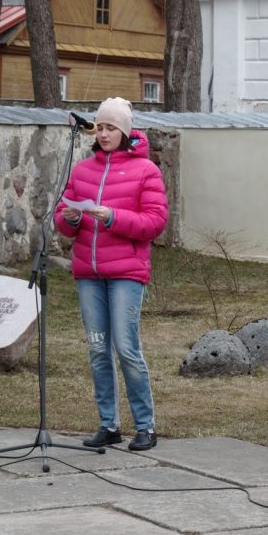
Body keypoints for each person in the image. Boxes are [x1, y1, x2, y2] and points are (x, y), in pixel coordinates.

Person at [55, 97, 168, 452]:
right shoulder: (82, 170)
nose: (103, 134)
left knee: (126, 347)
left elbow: (155, 222)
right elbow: (62, 218)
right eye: (99, 127)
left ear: (125, 131)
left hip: (127, 274)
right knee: (98, 348)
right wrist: (69, 218)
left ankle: (145, 426)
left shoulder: (146, 170)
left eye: (110, 128)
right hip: (89, 273)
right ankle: (109, 424)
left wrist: (113, 218)